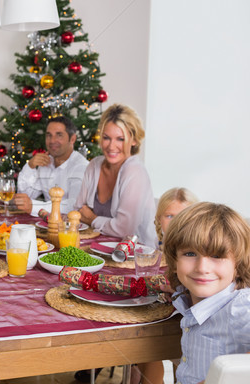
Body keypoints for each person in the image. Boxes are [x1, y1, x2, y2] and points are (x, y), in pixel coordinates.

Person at [163, 202, 250, 384]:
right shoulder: (188, 294)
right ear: (175, 258)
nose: (202, 268)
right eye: (189, 254)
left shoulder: (240, 306)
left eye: (217, 256)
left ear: (237, 264)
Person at [133, 187, 199, 384]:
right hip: (168, 317)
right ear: (159, 219)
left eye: (183, 216)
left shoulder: (197, 254)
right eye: (169, 216)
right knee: (146, 348)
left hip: (192, 323)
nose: (176, 222)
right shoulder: (159, 249)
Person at [74, 103, 157, 246]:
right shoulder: (94, 165)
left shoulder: (135, 171)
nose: (111, 146)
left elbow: (125, 230)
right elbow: (78, 212)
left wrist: (92, 219)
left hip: (136, 256)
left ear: (134, 140)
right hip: (99, 249)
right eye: (106, 138)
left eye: (120, 139)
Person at [14, 116, 88, 216]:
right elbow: (25, 197)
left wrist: (34, 206)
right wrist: (30, 167)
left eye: (59, 135)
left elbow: (74, 206)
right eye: (49, 135)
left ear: (72, 139)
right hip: (46, 224)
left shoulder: (81, 167)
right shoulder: (46, 161)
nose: (52, 141)